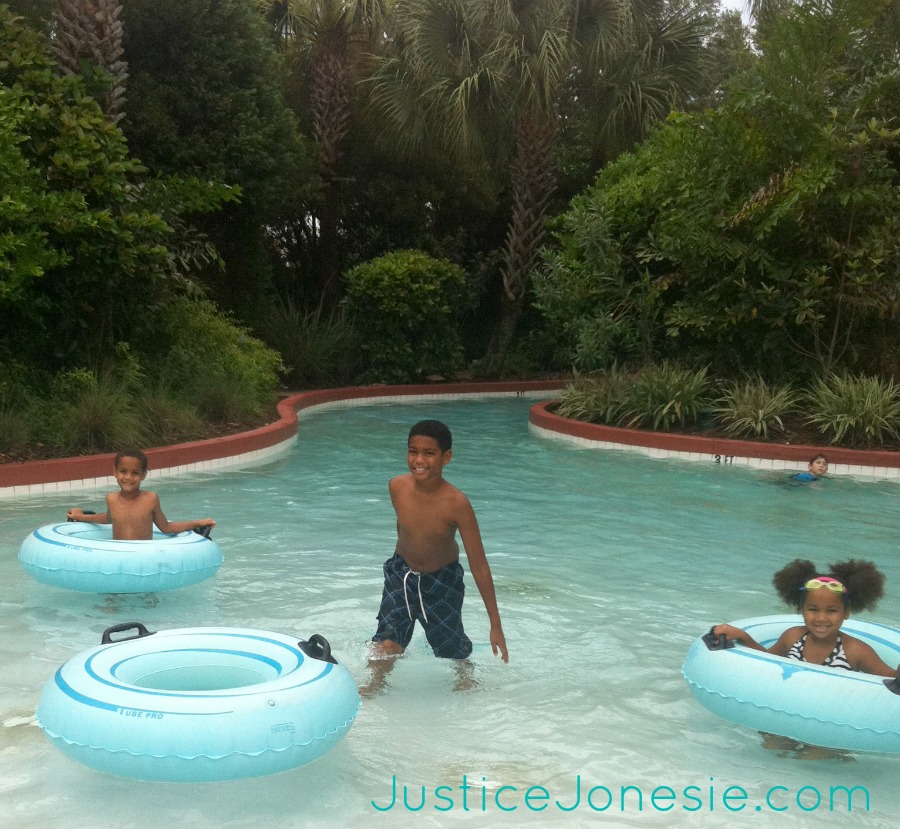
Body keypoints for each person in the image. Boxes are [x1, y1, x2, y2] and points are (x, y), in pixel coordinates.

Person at [363, 420, 508, 693]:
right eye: (412, 451)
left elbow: (479, 565)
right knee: (386, 642)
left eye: (429, 453)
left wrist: (495, 625)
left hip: (442, 582)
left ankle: (465, 677)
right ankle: (375, 684)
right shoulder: (397, 487)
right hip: (401, 575)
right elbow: (407, 531)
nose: (419, 460)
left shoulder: (457, 504)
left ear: (446, 457)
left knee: (451, 648)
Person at [714, 558, 896, 677]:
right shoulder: (793, 637)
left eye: (831, 610)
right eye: (812, 609)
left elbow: (891, 681)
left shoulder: (856, 651)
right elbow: (766, 660)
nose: (821, 618)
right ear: (801, 609)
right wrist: (742, 636)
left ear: (846, 612)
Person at [66, 449, 215, 541]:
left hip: (143, 557)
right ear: (115, 472)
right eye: (123, 471)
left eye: (135, 473)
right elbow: (109, 518)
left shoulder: (151, 499)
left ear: (143, 475)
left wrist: (197, 523)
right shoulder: (111, 499)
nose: (128, 478)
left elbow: (166, 527)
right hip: (117, 556)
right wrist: (81, 517)